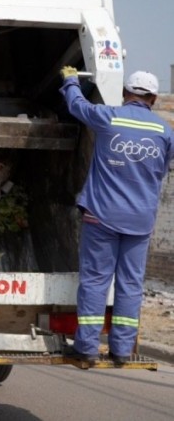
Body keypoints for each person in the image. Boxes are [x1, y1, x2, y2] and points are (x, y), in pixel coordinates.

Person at [60, 67, 174, 365]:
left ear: (126, 93)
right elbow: (163, 169)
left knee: (96, 281)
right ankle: (122, 350)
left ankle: (86, 347)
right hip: (140, 221)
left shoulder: (110, 117)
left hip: (102, 216)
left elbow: (77, 106)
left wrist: (70, 80)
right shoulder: (165, 132)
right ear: (154, 98)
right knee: (131, 284)